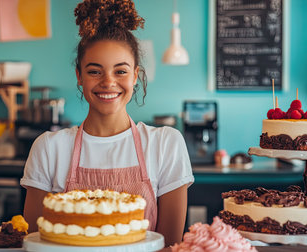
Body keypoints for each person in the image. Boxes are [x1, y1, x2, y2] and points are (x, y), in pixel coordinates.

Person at [21, 0, 194, 246]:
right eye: (94, 71)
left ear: (135, 75)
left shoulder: (166, 143)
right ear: (79, 75)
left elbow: (169, 246)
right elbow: (35, 243)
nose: (108, 82)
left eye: (120, 71)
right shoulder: (49, 147)